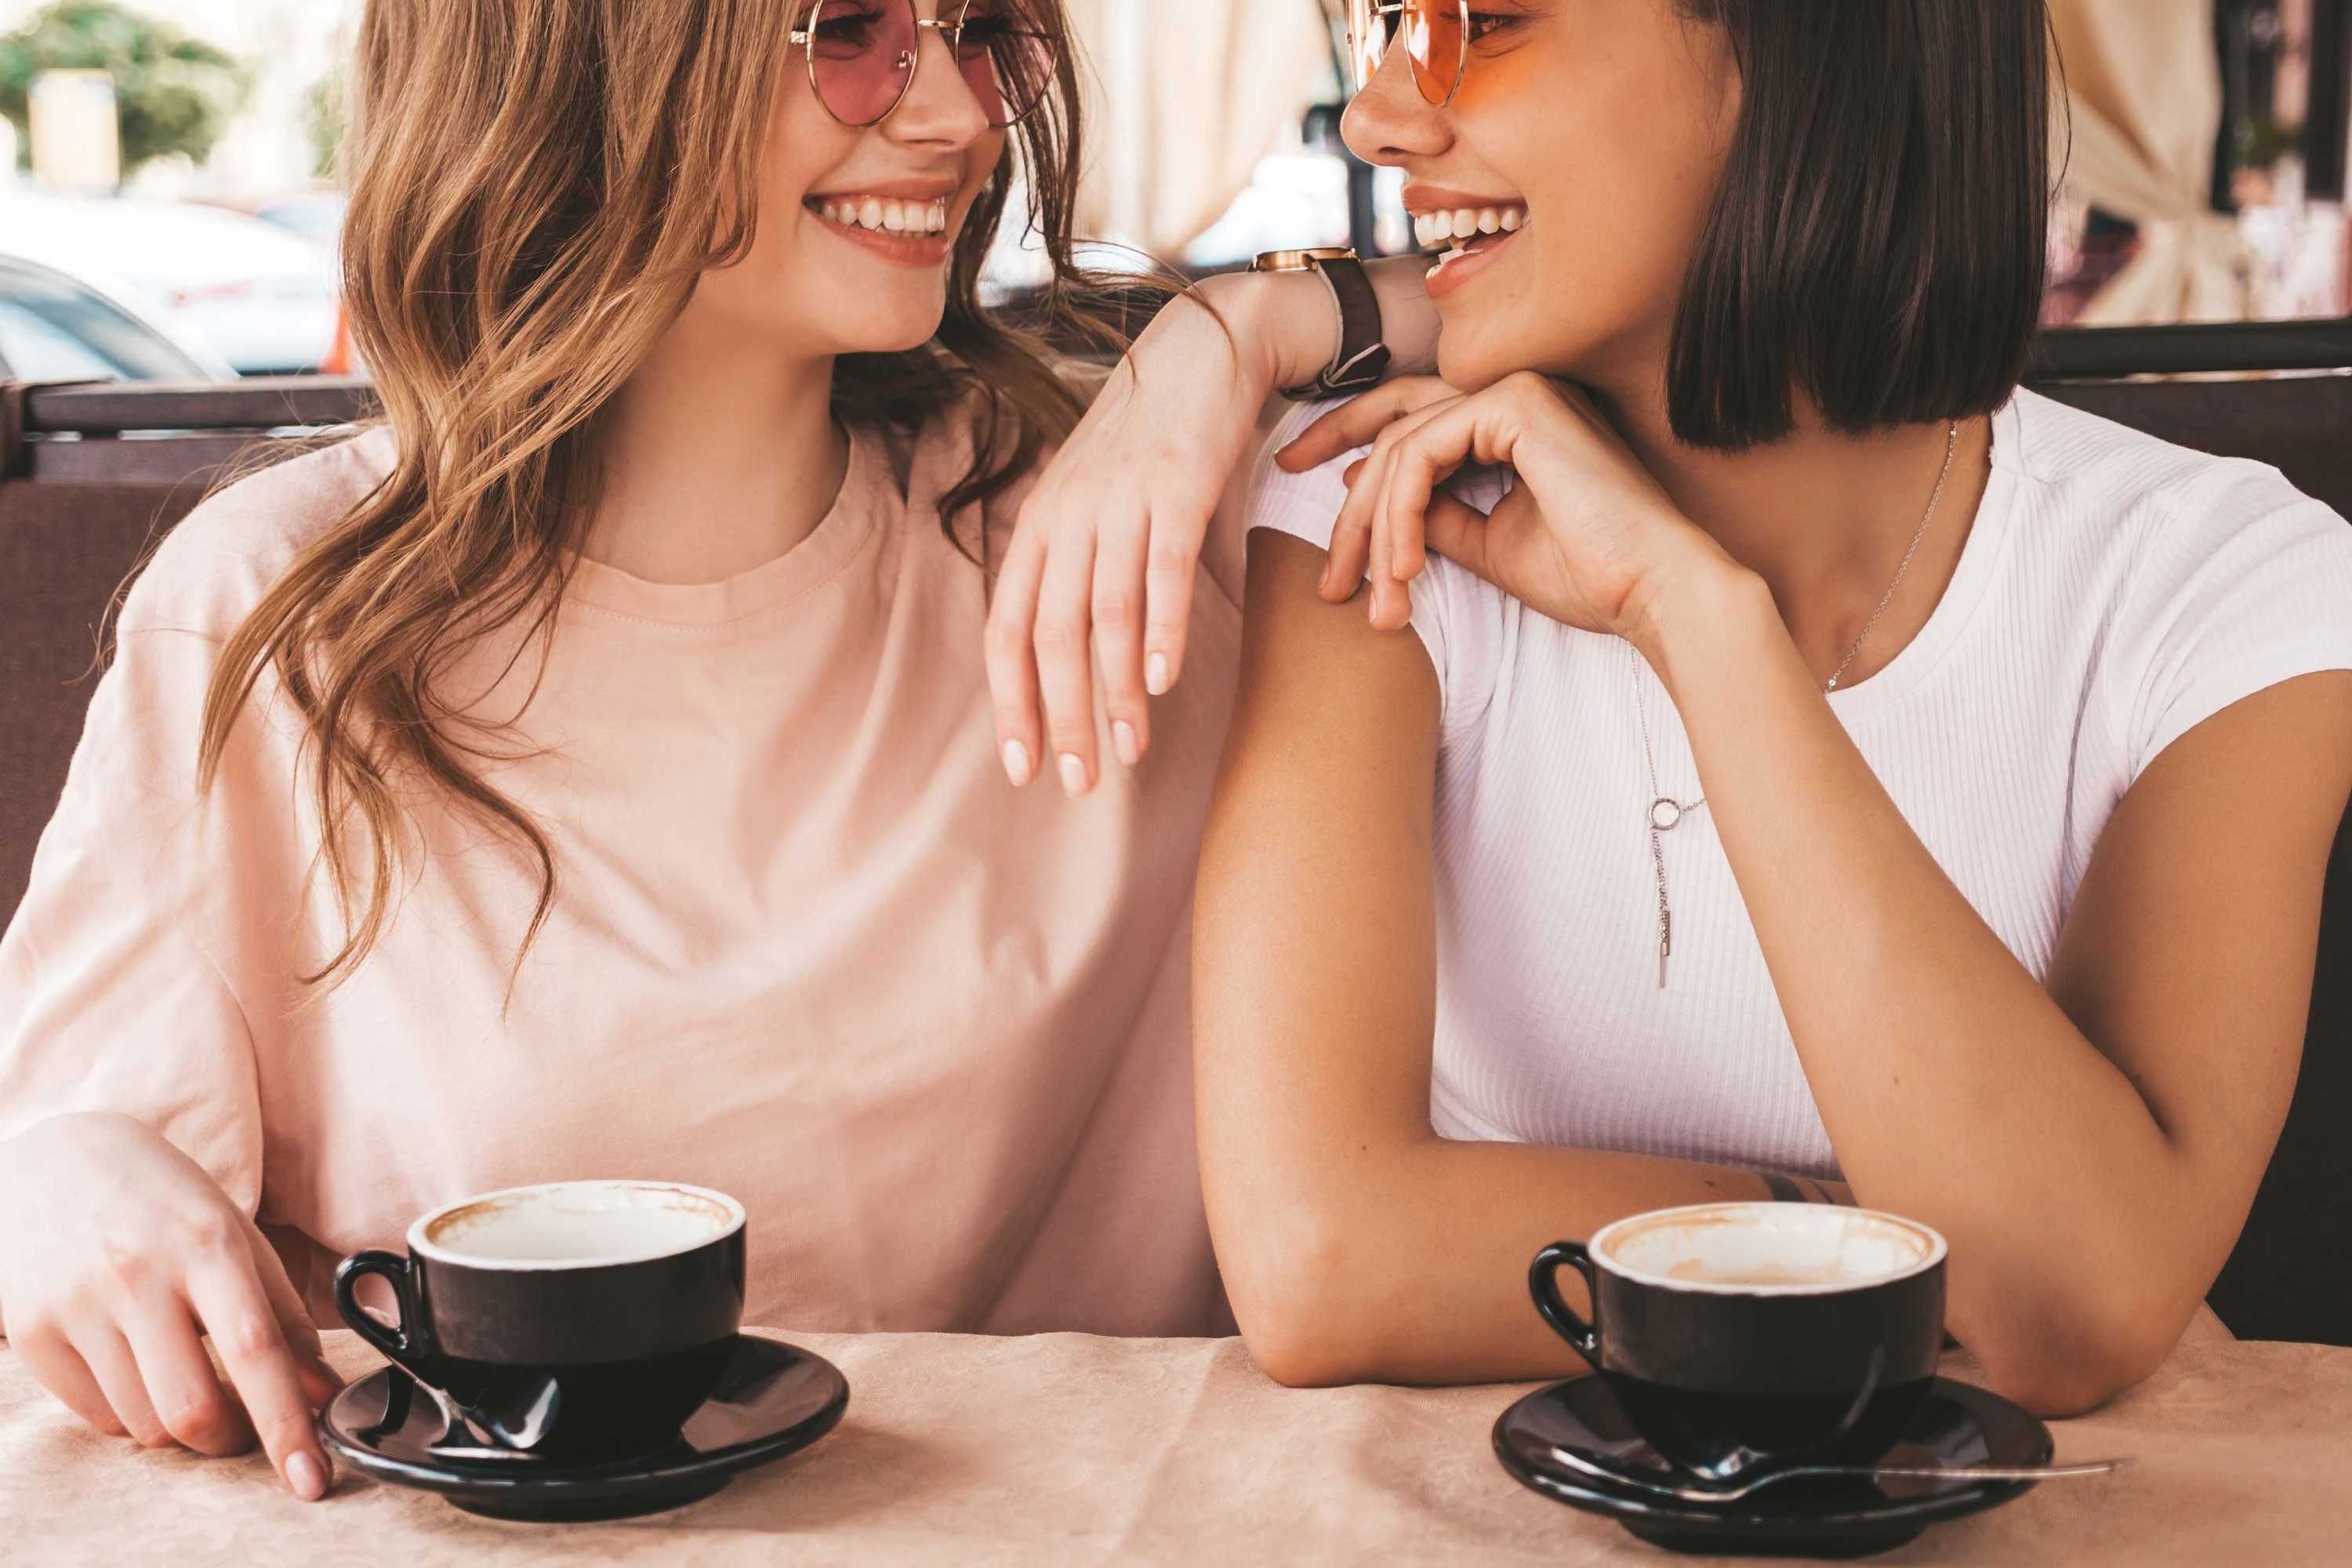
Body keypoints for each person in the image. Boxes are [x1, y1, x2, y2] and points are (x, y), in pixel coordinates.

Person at [0, 0, 1407, 1501]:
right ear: (576, 56)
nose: (950, 115)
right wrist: (46, 1187)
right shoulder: (272, 618)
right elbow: (68, 1163)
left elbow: (1623, 298)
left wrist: (1241, 324)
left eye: (984, 31)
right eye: (852, 29)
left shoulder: (1120, 514)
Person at [993, 0, 2352, 1414]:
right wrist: (1956, 1243)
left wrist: (1700, 623)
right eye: (1380, 24)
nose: (1383, 114)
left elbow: (2067, 1315)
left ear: (1807, 56)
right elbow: (1323, 1259)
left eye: (1482, 22)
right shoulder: (1373, 498)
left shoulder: (2226, 588)